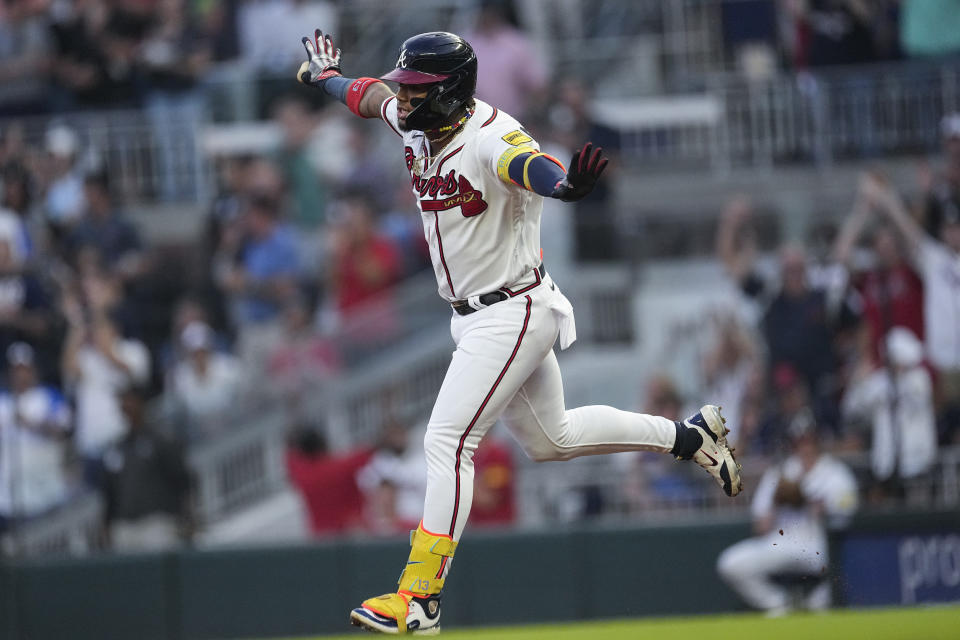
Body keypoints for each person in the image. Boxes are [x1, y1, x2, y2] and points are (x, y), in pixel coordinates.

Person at [296, 29, 743, 634]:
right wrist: (326, 77)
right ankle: (689, 438)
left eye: (417, 89)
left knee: (447, 441)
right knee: (550, 440)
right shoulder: (415, 122)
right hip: (479, 315)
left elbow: (527, 164)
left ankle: (420, 596)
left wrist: (564, 186)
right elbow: (369, 93)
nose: (404, 98)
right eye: (406, 87)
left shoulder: (489, 134)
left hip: (512, 308)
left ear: (449, 92)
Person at [717, 410, 858, 616]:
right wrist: (777, 501)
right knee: (731, 563)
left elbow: (848, 515)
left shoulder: (836, 473)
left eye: (809, 439)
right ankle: (779, 603)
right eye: (799, 440)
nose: (805, 446)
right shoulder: (780, 473)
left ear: (818, 441)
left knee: (850, 561)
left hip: (819, 542)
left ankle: (815, 604)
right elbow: (761, 527)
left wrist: (813, 504)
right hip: (782, 540)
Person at [102, 385, 191, 552]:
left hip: (157, 523)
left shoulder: (160, 440)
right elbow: (109, 492)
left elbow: (182, 479)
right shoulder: (117, 448)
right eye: (122, 401)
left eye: (130, 400)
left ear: (141, 403)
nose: (126, 405)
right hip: (124, 527)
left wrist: (186, 515)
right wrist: (107, 524)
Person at [0, 343, 72, 531]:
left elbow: (62, 432)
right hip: (8, 498)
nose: (20, 375)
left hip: (45, 494)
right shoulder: (3, 402)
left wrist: (29, 424)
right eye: (16, 370)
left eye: (25, 369)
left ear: (33, 370)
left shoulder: (49, 396)